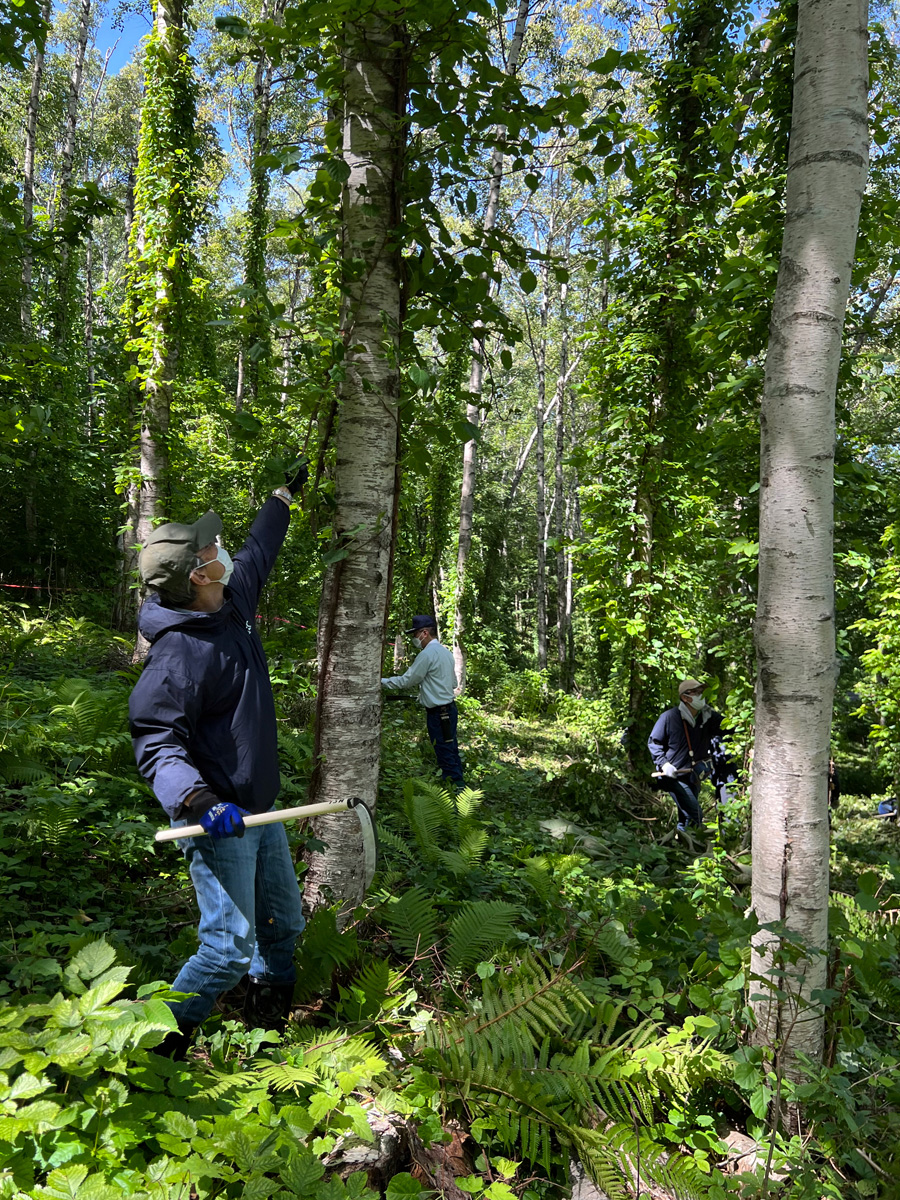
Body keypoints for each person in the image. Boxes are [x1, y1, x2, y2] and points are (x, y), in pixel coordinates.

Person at [128, 461, 308, 1057]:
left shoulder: (231, 604)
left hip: (259, 806)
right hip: (218, 817)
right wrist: (198, 801)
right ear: (197, 572)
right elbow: (156, 739)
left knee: (283, 925)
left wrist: (281, 496)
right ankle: (153, 1051)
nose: (222, 550)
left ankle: (265, 1042)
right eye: (211, 548)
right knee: (228, 946)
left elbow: (259, 550)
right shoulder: (179, 651)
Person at [381, 615, 465, 787]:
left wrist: (380, 681)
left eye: (415, 634)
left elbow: (407, 680)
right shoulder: (445, 652)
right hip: (449, 710)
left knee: (444, 753)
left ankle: (457, 794)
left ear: (424, 633)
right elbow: (453, 683)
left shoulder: (427, 654)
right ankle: (459, 789)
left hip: (438, 714)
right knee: (451, 751)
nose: (414, 639)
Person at [647, 678, 729, 832]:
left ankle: (682, 849)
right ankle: (696, 846)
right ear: (685, 697)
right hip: (672, 776)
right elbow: (654, 742)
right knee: (695, 813)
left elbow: (728, 727)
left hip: (693, 776)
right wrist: (664, 763)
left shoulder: (708, 716)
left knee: (685, 818)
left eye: (702, 692)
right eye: (696, 692)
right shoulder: (669, 717)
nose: (701, 695)